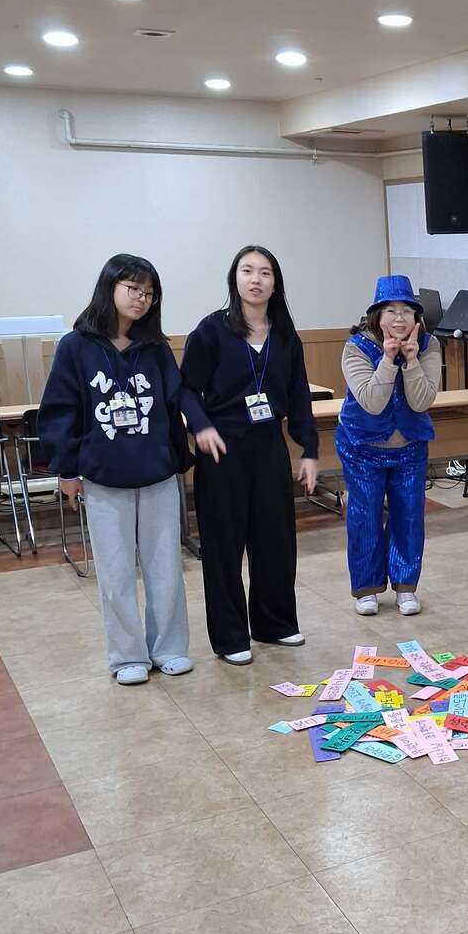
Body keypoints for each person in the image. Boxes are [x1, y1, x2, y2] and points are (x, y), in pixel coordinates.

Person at [39, 254, 192, 685]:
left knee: (165, 567)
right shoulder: (75, 346)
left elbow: (174, 403)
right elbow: (60, 412)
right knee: (116, 571)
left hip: (158, 474)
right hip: (103, 477)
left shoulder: (156, 348)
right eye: (133, 289)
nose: (141, 298)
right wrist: (67, 470)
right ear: (110, 288)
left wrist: (184, 454)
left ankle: (169, 648)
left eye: (149, 293)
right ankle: (127, 656)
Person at [180, 244, 318, 663]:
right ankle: (230, 637)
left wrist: (309, 450)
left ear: (276, 284)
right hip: (222, 448)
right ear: (234, 278)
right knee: (224, 544)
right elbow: (186, 389)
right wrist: (201, 426)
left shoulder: (285, 335)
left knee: (276, 538)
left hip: (269, 446)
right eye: (247, 271)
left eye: (265, 273)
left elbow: (299, 396)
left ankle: (275, 624)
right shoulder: (212, 330)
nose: (255, 279)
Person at [337, 275, 441, 616]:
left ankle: (406, 587)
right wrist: (387, 359)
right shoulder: (356, 346)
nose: (399, 318)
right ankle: (366, 588)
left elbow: (422, 401)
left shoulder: (429, 345)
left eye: (407, 311)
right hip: (361, 446)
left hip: (409, 447)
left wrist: (410, 361)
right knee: (364, 516)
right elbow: (372, 402)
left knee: (409, 516)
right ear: (377, 316)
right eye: (391, 311)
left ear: (416, 317)